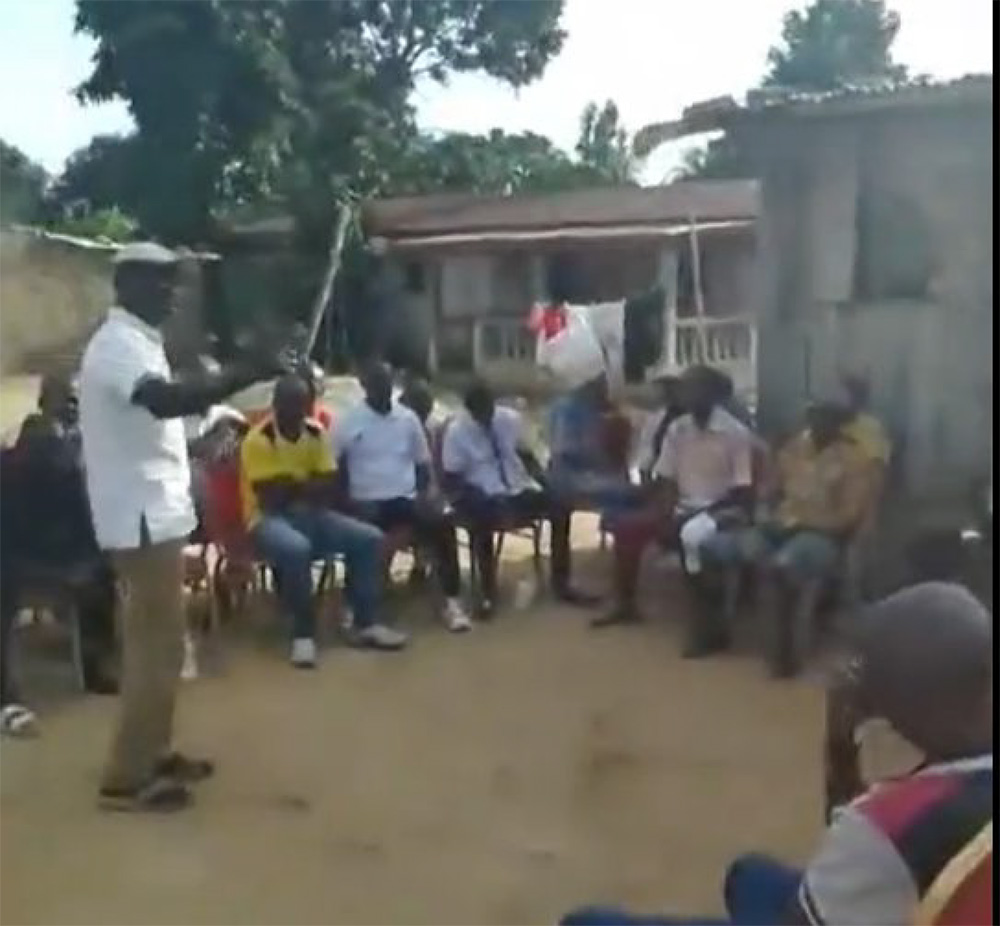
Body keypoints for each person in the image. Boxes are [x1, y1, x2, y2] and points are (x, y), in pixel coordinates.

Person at [561, 582, 993, 926]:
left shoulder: (884, 825)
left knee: (587, 922)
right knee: (747, 874)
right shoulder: (929, 803)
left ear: (890, 706)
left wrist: (839, 746)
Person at [78, 241, 285, 812]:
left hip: (158, 512)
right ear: (126, 285)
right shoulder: (117, 345)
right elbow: (164, 402)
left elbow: (155, 426)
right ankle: (125, 780)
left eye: (174, 283)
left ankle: (155, 751)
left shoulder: (142, 341)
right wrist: (246, 371)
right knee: (153, 648)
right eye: (159, 282)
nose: (171, 294)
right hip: (140, 518)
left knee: (168, 646)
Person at [243, 372, 408, 662]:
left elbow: (328, 486)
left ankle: (365, 623)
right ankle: (303, 635)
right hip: (266, 520)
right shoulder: (259, 439)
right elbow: (270, 499)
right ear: (276, 404)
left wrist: (292, 486)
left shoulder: (316, 432)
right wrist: (307, 485)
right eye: (291, 404)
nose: (298, 412)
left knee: (369, 538)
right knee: (297, 549)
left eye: (303, 404)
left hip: (313, 514)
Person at [598, 366, 753, 650]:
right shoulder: (678, 428)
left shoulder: (736, 434)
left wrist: (700, 514)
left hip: (721, 511)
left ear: (713, 394)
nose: (687, 395)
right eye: (685, 388)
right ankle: (625, 606)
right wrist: (665, 511)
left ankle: (707, 628)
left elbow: (742, 491)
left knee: (693, 539)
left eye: (695, 388)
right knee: (628, 528)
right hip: (682, 507)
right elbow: (666, 477)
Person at [731, 401, 873, 676]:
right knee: (745, 548)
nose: (816, 425)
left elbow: (848, 517)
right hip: (783, 526)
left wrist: (803, 523)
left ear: (840, 424)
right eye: (813, 417)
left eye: (825, 419)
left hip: (824, 533)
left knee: (784, 566)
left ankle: (784, 653)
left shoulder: (854, 459)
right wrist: (765, 510)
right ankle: (765, 636)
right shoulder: (795, 448)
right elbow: (771, 489)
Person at [334, 361, 471, 632]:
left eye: (387, 384)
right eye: (377, 385)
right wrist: (347, 503)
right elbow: (336, 469)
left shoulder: (407, 419)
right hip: (365, 501)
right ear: (365, 386)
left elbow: (422, 465)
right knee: (359, 535)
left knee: (442, 524)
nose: (383, 390)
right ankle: (352, 606)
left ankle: (451, 601)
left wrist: (424, 495)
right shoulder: (348, 422)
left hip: (404, 498)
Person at [441, 380, 590, 615]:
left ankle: (562, 583)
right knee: (483, 519)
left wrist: (545, 483)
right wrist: (479, 495)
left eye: (488, 409)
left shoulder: (509, 419)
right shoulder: (456, 432)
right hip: (482, 492)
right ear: (470, 410)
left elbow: (527, 456)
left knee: (561, 506)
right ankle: (487, 593)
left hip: (517, 487)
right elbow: (452, 478)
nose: (486, 416)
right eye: (480, 412)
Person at [634, 374, 684, 483]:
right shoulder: (656, 416)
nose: (651, 396)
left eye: (656, 392)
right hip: (658, 471)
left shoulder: (683, 418)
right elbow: (648, 444)